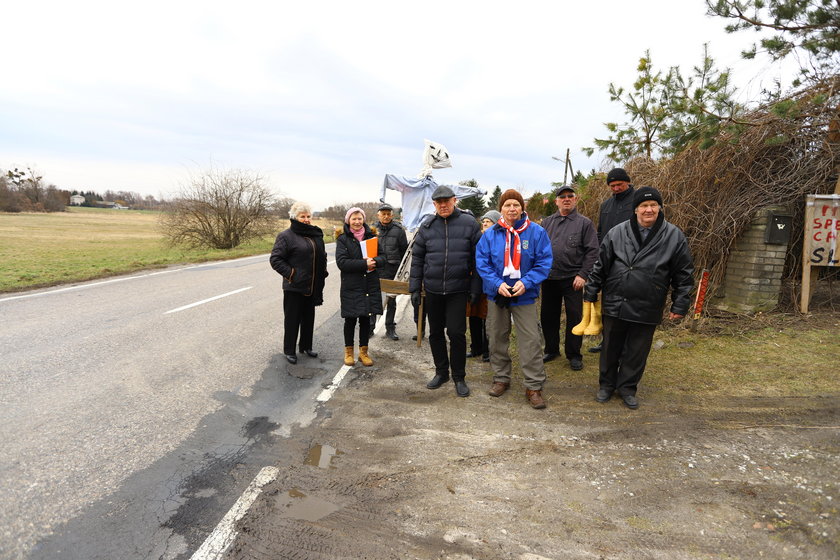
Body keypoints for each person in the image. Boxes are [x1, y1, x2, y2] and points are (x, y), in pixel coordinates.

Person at [583, 186, 694, 409]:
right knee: (610, 347)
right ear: (635, 209)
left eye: (653, 205)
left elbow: (684, 274)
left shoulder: (674, 236)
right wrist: (591, 290)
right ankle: (606, 385)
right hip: (616, 299)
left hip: (648, 303)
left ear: (660, 208)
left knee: (637, 350)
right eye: (643, 206)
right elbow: (600, 265)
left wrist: (680, 303)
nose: (648, 210)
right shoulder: (617, 232)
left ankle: (627, 388)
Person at [475, 190, 553, 409]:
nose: (512, 209)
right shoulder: (490, 234)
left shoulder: (536, 232)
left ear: (522, 208)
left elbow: (544, 262)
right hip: (497, 294)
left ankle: (534, 386)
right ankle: (501, 378)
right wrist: (497, 284)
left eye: (515, 205)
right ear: (501, 208)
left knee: (531, 340)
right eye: (507, 205)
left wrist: (526, 282)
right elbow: (482, 263)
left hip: (524, 295)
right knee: (497, 336)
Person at [409, 185, 482, 397]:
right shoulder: (428, 226)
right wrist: (415, 287)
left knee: (457, 333)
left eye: (446, 201)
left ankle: (459, 376)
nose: (443, 205)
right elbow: (418, 259)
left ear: (454, 200)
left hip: (458, 290)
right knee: (435, 333)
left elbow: (479, 260)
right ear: (434, 204)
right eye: (438, 202)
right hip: (432, 290)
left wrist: (475, 288)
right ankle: (442, 372)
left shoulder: (469, 224)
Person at [540, 185, 599, 370]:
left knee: (575, 317)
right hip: (549, 278)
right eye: (562, 196)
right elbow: (538, 248)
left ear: (575, 199)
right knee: (548, 316)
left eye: (570, 196)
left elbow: (592, 251)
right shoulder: (547, 222)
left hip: (573, 279)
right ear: (556, 201)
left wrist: (583, 274)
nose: (566, 199)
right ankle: (551, 349)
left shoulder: (584, 223)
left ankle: (574, 354)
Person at [269, 201, 329, 365]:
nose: (306, 219)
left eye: (308, 216)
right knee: (292, 319)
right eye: (302, 216)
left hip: (312, 285)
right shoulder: (286, 236)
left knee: (308, 317)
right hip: (294, 286)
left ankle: (306, 346)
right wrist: (292, 274)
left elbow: (321, 255)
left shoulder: (315, 234)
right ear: (294, 218)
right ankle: (289, 350)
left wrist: (322, 272)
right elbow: (275, 259)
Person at [589, 167, 636, 353]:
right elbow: (600, 231)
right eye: (612, 185)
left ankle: (627, 343)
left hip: (630, 261)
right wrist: (600, 254)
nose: (616, 188)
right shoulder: (606, 205)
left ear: (628, 182)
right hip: (608, 261)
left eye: (619, 184)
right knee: (608, 302)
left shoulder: (637, 202)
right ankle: (607, 341)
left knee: (628, 302)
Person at [336, 207, 385, 367]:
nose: (357, 222)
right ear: (348, 221)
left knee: (366, 320)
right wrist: (363, 263)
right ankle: (348, 352)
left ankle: (363, 353)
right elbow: (341, 262)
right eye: (353, 219)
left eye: (359, 218)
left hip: (368, 285)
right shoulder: (343, 239)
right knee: (350, 319)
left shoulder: (372, 237)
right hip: (351, 286)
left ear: (363, 220)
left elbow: (384, 257)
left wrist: (375, 261)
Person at [466, 210, 501, 362]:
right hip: (475, 282)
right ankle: (476, 347)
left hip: (490, 284)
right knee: (473, 315)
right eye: (484, 221)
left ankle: (488, 350)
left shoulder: (499, 238)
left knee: (487, 318)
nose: (485, 223)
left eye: (489, 221)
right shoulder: (478, 237)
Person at [373, 203, 408, 340]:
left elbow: (404, 251)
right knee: (374, 298)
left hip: (393, 268)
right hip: (376, 268)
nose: (386, 216)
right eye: (383, 214)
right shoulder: (372, 229)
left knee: (391, 300)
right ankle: (370, 327)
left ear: (392, 215)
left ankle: (390, 328)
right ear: (378, 215)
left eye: (388, 214)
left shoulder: (399, 230)